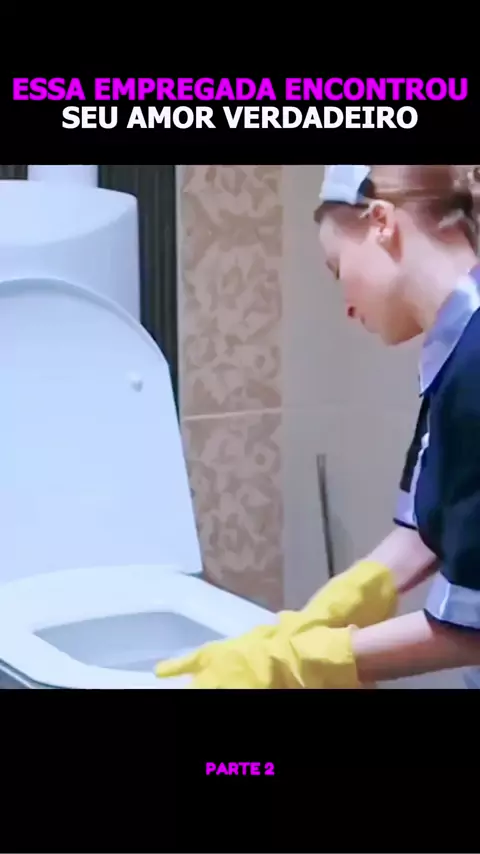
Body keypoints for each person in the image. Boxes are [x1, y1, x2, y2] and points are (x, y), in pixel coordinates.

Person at [156, 164, 480, 689]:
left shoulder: (474, 361)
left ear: (382, 222)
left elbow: (471, 627)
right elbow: (437, 526)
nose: (345, 305)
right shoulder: (458, 349)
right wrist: (327, 611)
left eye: (336, 268)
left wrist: (296, 662)